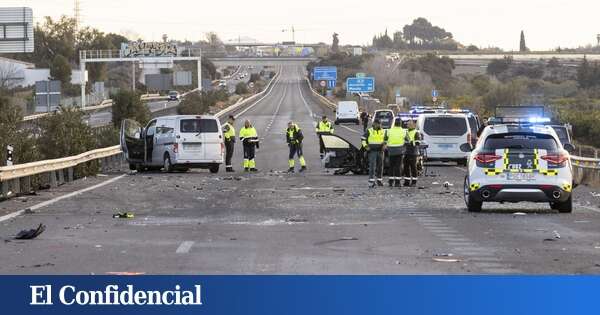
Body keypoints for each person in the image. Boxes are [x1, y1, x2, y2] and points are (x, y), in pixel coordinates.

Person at [362, 119, 386, 188]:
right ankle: (371, 181)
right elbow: (363, 139)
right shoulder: (369, 130)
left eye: (379, 124)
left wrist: (385, 144)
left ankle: (379, 180)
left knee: (380, 166)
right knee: (372, 166)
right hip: (372, 151)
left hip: (380, 151)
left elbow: (386, 139)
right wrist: (366, 146)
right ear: (374, 124)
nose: (377, 125)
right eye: (376, 124)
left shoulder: (383, 131)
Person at [384, 118, 407, 187]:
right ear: (400, 124)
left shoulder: (389, 131)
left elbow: (385, 139)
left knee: (391, 166)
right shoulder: (404, 131)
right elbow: (408, 140)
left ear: (394, 123)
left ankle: (390, 182)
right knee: (398, 167)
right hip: (400, 151)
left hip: (391, 151)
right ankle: (397, 182)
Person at [403, 120, 421, 187]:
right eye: (407, 124)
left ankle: (414, 182)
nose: (407, 125)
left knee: (413, 167)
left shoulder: (416, 132)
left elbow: (418, 142)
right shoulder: (406, 132)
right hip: (406, 152)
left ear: (413, 125)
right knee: (406, 168)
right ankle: (407, 181)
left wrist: (410, 142)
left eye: (409, 124)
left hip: (413, 153)